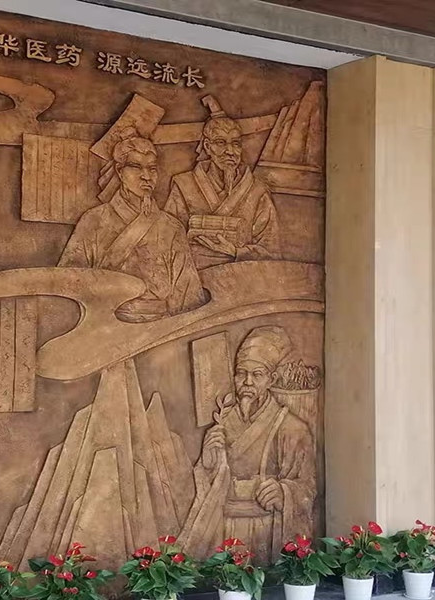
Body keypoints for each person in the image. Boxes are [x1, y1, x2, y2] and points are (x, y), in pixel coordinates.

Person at [179, 326, 315, 563]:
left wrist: (284, 492)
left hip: (266, 529)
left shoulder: (292, 428)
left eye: (257, 374)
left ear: (271, 379)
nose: (247, 382)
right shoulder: (222, 423)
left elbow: (308, 487)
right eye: (241, 374)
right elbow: (199, 487)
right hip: (224, 529)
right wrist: (208, 463)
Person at [58, 129, 206, 322]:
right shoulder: (93, 221)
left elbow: (188, 298)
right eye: (136, 167)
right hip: (102, 325)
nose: (146, 176)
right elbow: (68, 286)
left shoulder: (171, 227)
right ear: (120, 171)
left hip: (161, 327)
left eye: (152, 168)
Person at [164, 98, 280, 270]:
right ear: (207, 146)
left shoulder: (257, 191)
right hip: (193, 276)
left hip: (241, 277)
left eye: (236, 144)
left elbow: (272, 251)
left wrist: (235, 251)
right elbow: (166, 241)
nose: (230, 151)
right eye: (221, 143)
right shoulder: (184, 185)